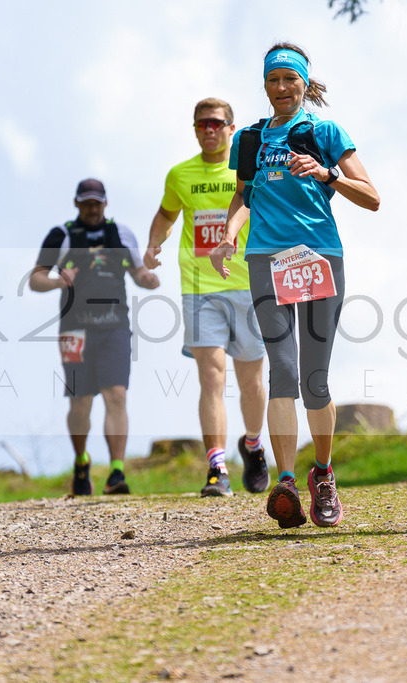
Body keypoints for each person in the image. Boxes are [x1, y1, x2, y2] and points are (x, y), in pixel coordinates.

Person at [210, 43, 379, 529]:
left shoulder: (324, 132)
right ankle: (286, 480)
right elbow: (244, 195)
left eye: (289, 79)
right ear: (264, 86)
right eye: (272, 80)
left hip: (321, 258)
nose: (281, 89)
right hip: (265, 259)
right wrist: (227, 235)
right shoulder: (250, 139)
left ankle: (322, 475)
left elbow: (371, 197)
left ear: (305, 82)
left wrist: (328, 174)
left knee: (315, 378)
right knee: (282, 370)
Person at [144, 97, 270, 498]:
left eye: (217, 123)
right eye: (202, 125)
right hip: (199, 288)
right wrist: (153, 244)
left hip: (248, 284)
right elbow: (166, 213)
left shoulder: (248, 170)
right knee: (211, 376)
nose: (209, 130)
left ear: (232, 128)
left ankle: (252, 444)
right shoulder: (180, 175)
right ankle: (217, 467)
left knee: (251, 383)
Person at [30, 178, 160, 496]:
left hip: (115, 326)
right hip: (74, 330)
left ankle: (116, 472)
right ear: (76, 204)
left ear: (106, 203)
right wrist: (58, 281)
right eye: (85, 203)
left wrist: (150, 278)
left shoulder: (121, 233)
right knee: (80, 401)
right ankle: (81, 461)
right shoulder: (61, 235)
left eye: (96, 203)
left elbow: (138, 273)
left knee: (116, 395)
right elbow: (35, 279)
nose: (91, 209)